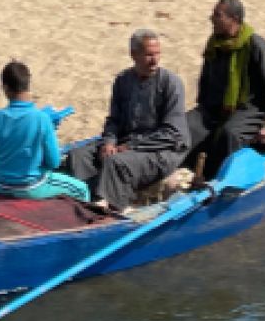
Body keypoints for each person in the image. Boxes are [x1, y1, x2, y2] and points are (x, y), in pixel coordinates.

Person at [62, 28, 190, 214]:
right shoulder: (123, 81)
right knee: (79, 156)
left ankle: (108, 207)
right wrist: (109, 142)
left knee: (116, 162)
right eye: (148, 55)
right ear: (134, 55)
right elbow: (114, 120)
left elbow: (172, 134)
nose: (154, 60)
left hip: (161, 150)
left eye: (157, 54)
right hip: (127, 141)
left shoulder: (170, 83)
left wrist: (131, 146)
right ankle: (84, 195)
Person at [190, 0, 265, 179]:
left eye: (217, 16)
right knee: (187, 126)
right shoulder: (214, 44)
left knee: (229, 134)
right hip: (214, 108)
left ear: (233, 19)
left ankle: (218, 180)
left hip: (248, 109)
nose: (212, 19)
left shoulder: (257, 46)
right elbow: (205, 82)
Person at [0, 61, 90, 201]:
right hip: (31, 187)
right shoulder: (42, 119)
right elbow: (53, 162)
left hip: (1, 185)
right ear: (28, 85)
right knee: (82, 189)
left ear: (5, 89)